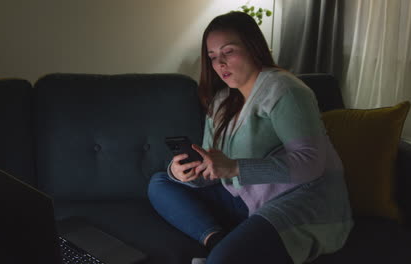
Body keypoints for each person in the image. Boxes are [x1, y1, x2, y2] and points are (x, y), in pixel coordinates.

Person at [148, 11, 353, 264]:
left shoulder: (285, 90)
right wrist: (185, 172)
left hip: (298, 199)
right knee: (160, 182)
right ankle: (217, 240)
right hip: (244, 198)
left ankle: (225, 252)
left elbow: (310, 163)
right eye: (212, 57)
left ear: (253, 46)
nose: (219, 63)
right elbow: (214, 167)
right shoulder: (222, 101)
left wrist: (233, 167)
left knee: (222, 260)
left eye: (228, 52)